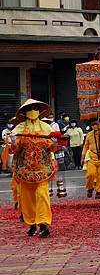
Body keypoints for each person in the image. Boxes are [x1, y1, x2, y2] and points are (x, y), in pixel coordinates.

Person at [11, 99, 57, 238]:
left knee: (42, 194)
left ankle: (43, 224)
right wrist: (13, 142)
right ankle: (31, 223)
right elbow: (14, 149)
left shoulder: (47, 128)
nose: (33, 111)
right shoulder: (18, 129)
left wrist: (55, 142)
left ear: (40, 111)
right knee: (27, 198)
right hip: (25, 169)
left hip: (42, 168)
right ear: (24, 113)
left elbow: (52, 148)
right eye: (30, 109)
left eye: (36, 108)